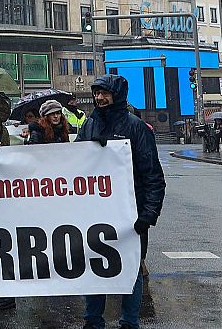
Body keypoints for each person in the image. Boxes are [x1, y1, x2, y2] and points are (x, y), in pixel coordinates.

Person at [77, 74, 167, 329]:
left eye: (104, 93)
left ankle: (129, 321)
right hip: (96, 212)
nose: (99, 98)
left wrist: (148, 214)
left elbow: (152, 174)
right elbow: (73, 163)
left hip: (130, 214)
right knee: (94, 265)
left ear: (117, 95)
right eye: (96, 93)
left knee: (131, 269)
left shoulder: (136, 127)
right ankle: (93, 320)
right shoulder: (89, 125)